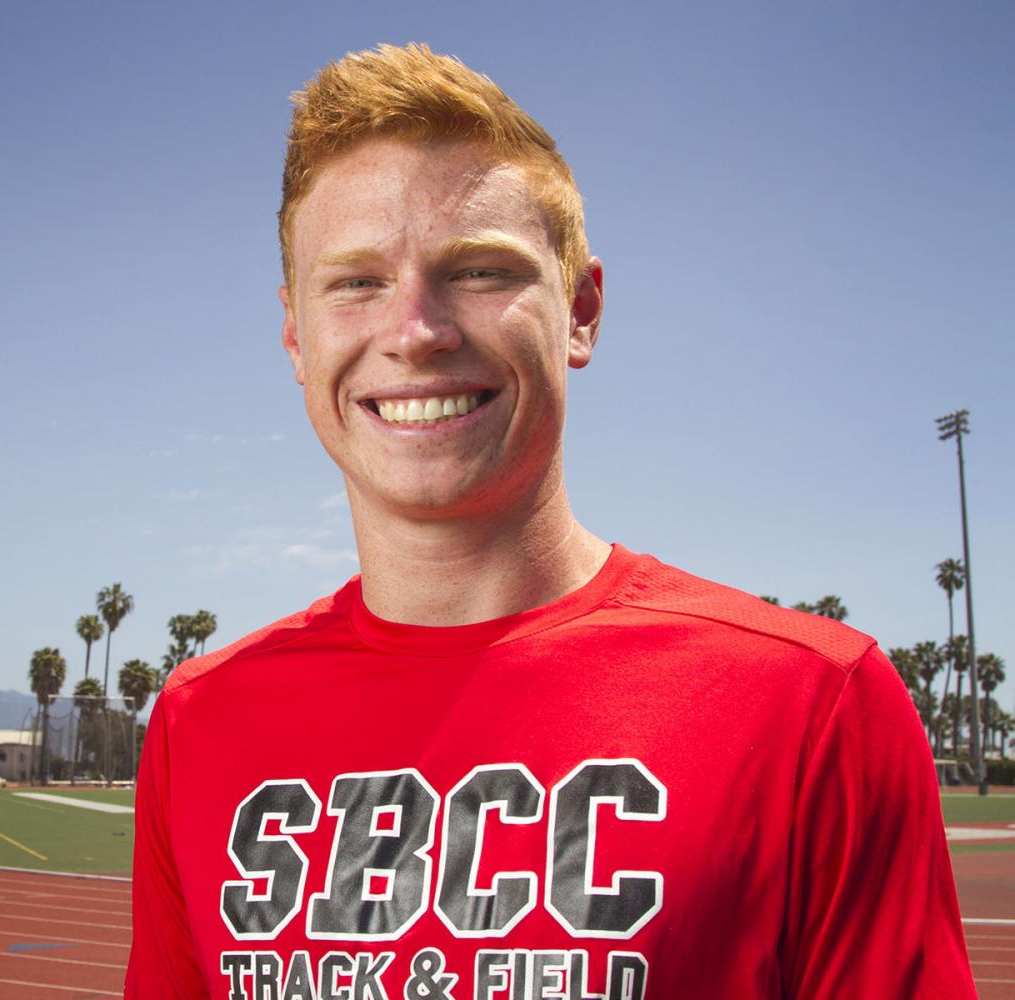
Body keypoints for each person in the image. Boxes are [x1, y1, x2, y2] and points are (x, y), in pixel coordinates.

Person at [125, 44, 974, 999]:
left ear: (581, 309)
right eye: (355, 282)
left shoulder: (815, 706)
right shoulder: (202, 722)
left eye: (480, 271)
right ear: (295, 333)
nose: (416, 330)